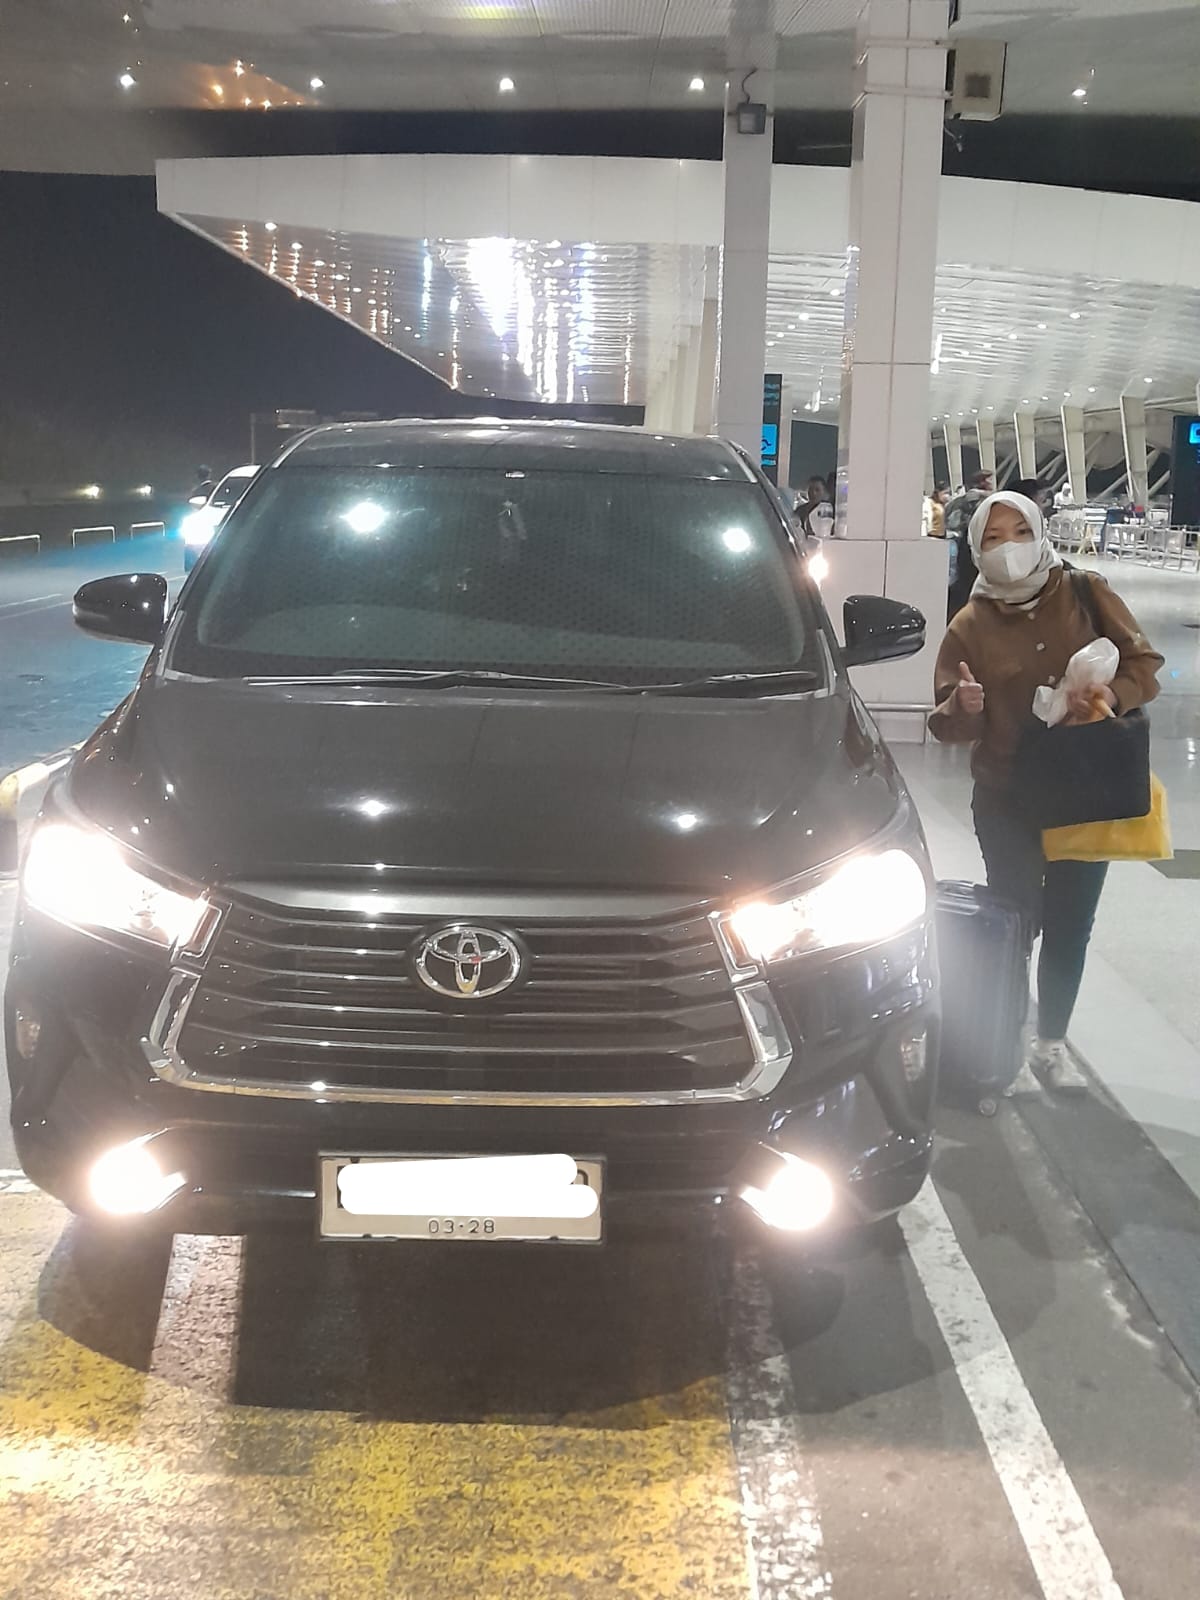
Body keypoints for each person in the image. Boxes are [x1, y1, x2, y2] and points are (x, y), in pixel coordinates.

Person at [928, 491, 1163, 1093]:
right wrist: (962, 707)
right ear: (975, 548)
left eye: (1018, 532)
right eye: (992, 538)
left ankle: (1051, 1045)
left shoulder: (1084, 591)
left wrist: (1112, 695)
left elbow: (1143, 664)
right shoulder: (969, 625)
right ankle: (1004, 1042)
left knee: (1069, 924)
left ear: (1039, 532)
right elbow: (945, 723)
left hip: (1084, 789)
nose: (1008, 548)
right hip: (1006, 795)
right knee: (1014, 922)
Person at [945, 471, 993, 619]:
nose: (990, 483)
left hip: (958, 543)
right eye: (987, 480)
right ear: (982, 482)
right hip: (975, 544)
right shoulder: (985, 500)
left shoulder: (957, 501)